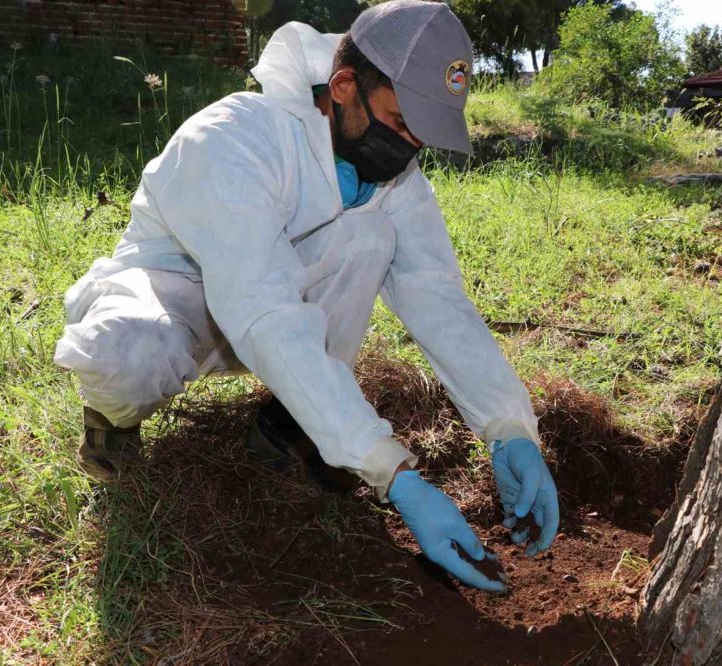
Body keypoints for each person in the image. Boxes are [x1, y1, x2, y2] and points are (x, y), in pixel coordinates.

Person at [54, 0, 559, 593]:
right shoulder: (235, 137)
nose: (410, 145)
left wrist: (509, 427)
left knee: (371, 235)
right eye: (401, 122)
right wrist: (393, 471)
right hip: (175, 299)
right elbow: (265, 311)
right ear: (344, 87)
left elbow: (438, 298)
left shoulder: (394, 180)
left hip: (276, 310)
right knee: (124, 354)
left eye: (423, 132)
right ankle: (111, 423)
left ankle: (294, 419)